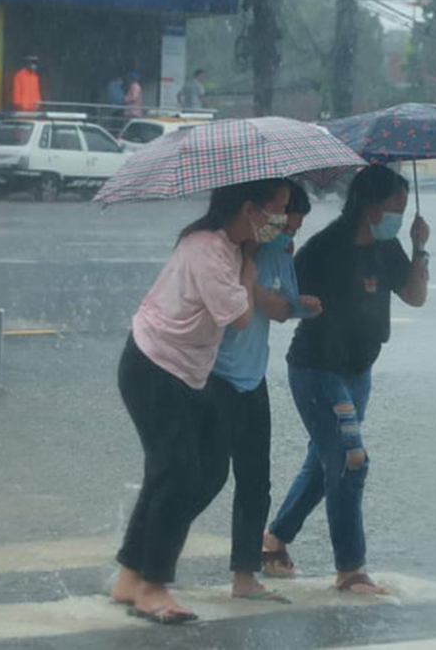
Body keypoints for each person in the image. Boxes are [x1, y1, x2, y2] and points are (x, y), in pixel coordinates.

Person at [110, 178, 292, 625]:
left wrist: (250, 259)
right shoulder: (209, 250)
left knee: (205, 471)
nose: (280, 222)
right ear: (249, 209)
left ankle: (131, 574)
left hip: (183, 372)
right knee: (179, 472)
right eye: (276, 210)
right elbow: (242, 317)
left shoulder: (228, 245)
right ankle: (153, 586)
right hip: (154, 366)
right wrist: (250, 272)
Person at [262, 164, 430, 595]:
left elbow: (415, 296)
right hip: (317, 370)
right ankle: (350, 570)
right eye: (396, 207)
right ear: (369, 206)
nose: (400, 214)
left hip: (358, 372)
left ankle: (274, 541)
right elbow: (283, 297)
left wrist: (418, 247)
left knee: (326, 462)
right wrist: (301, 303)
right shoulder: (325, 247)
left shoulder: (388, 246)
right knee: (350, 459)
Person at [209, 182, 321, 604]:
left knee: (256, 481)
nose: (288, 233)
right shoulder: (226, 249)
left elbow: (279, 307)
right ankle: (150, 562)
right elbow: (256, 304)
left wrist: (296, 304)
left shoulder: (277, 251)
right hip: (213, 375)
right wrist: (253, 275)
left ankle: (245, 575)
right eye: (283, 222)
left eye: (294, 227)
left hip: (251, 378)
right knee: (204, 477)